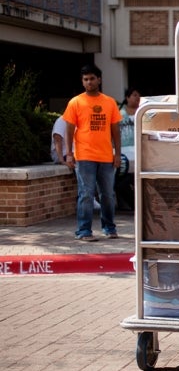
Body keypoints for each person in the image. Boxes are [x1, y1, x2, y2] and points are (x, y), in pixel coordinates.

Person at [63, 63, 122, 242]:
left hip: (105, 156)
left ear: (99, 80)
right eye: (86, 79)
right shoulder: (75, 102)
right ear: (82, 82)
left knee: (108, 195)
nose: (89, 82)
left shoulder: (109, 102)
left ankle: (109, 228)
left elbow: (115, 131)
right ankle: (83, 231)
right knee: (86, 194)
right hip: (84, 156)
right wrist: (69, 153)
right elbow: (69, 130)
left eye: (92, 78)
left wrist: (117, 154)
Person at [117, 87, 141, 211]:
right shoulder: (119, 113)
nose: (137, 98)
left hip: (138, 151)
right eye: (134, 95)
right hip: (123, 152)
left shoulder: (143, 112)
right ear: (127, 98)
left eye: (138, 95)